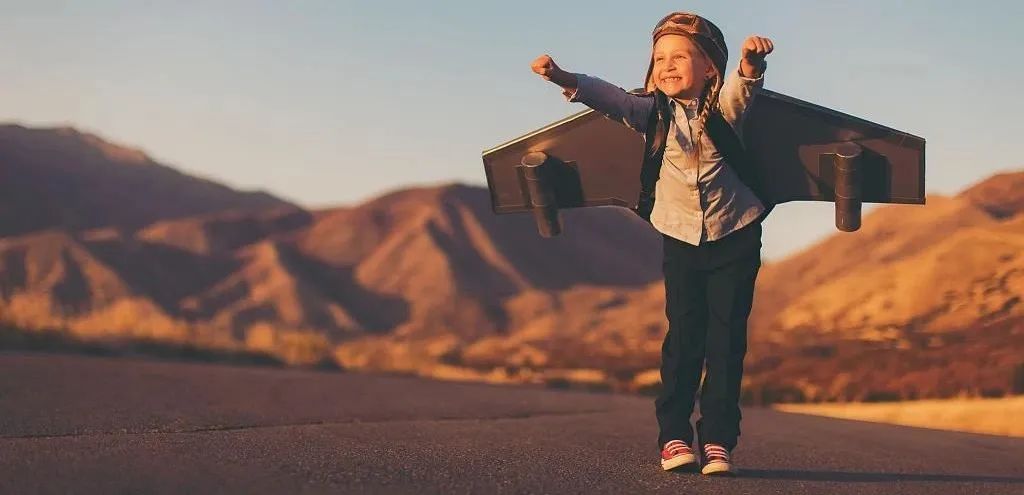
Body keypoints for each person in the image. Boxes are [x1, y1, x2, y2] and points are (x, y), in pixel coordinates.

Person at [530, 11, 774, 476]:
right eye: (659, 57)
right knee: (683, 339)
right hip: (680, 236)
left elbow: (744, 89)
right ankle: (675, 436)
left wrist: (750, 62)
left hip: (735, 233)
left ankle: (719, 440)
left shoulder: (724, 107)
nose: (667, 65)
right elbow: (610, 99)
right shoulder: (651, 112)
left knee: (725, 342)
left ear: (709, 69)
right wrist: (561, 77)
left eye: (680, 56)